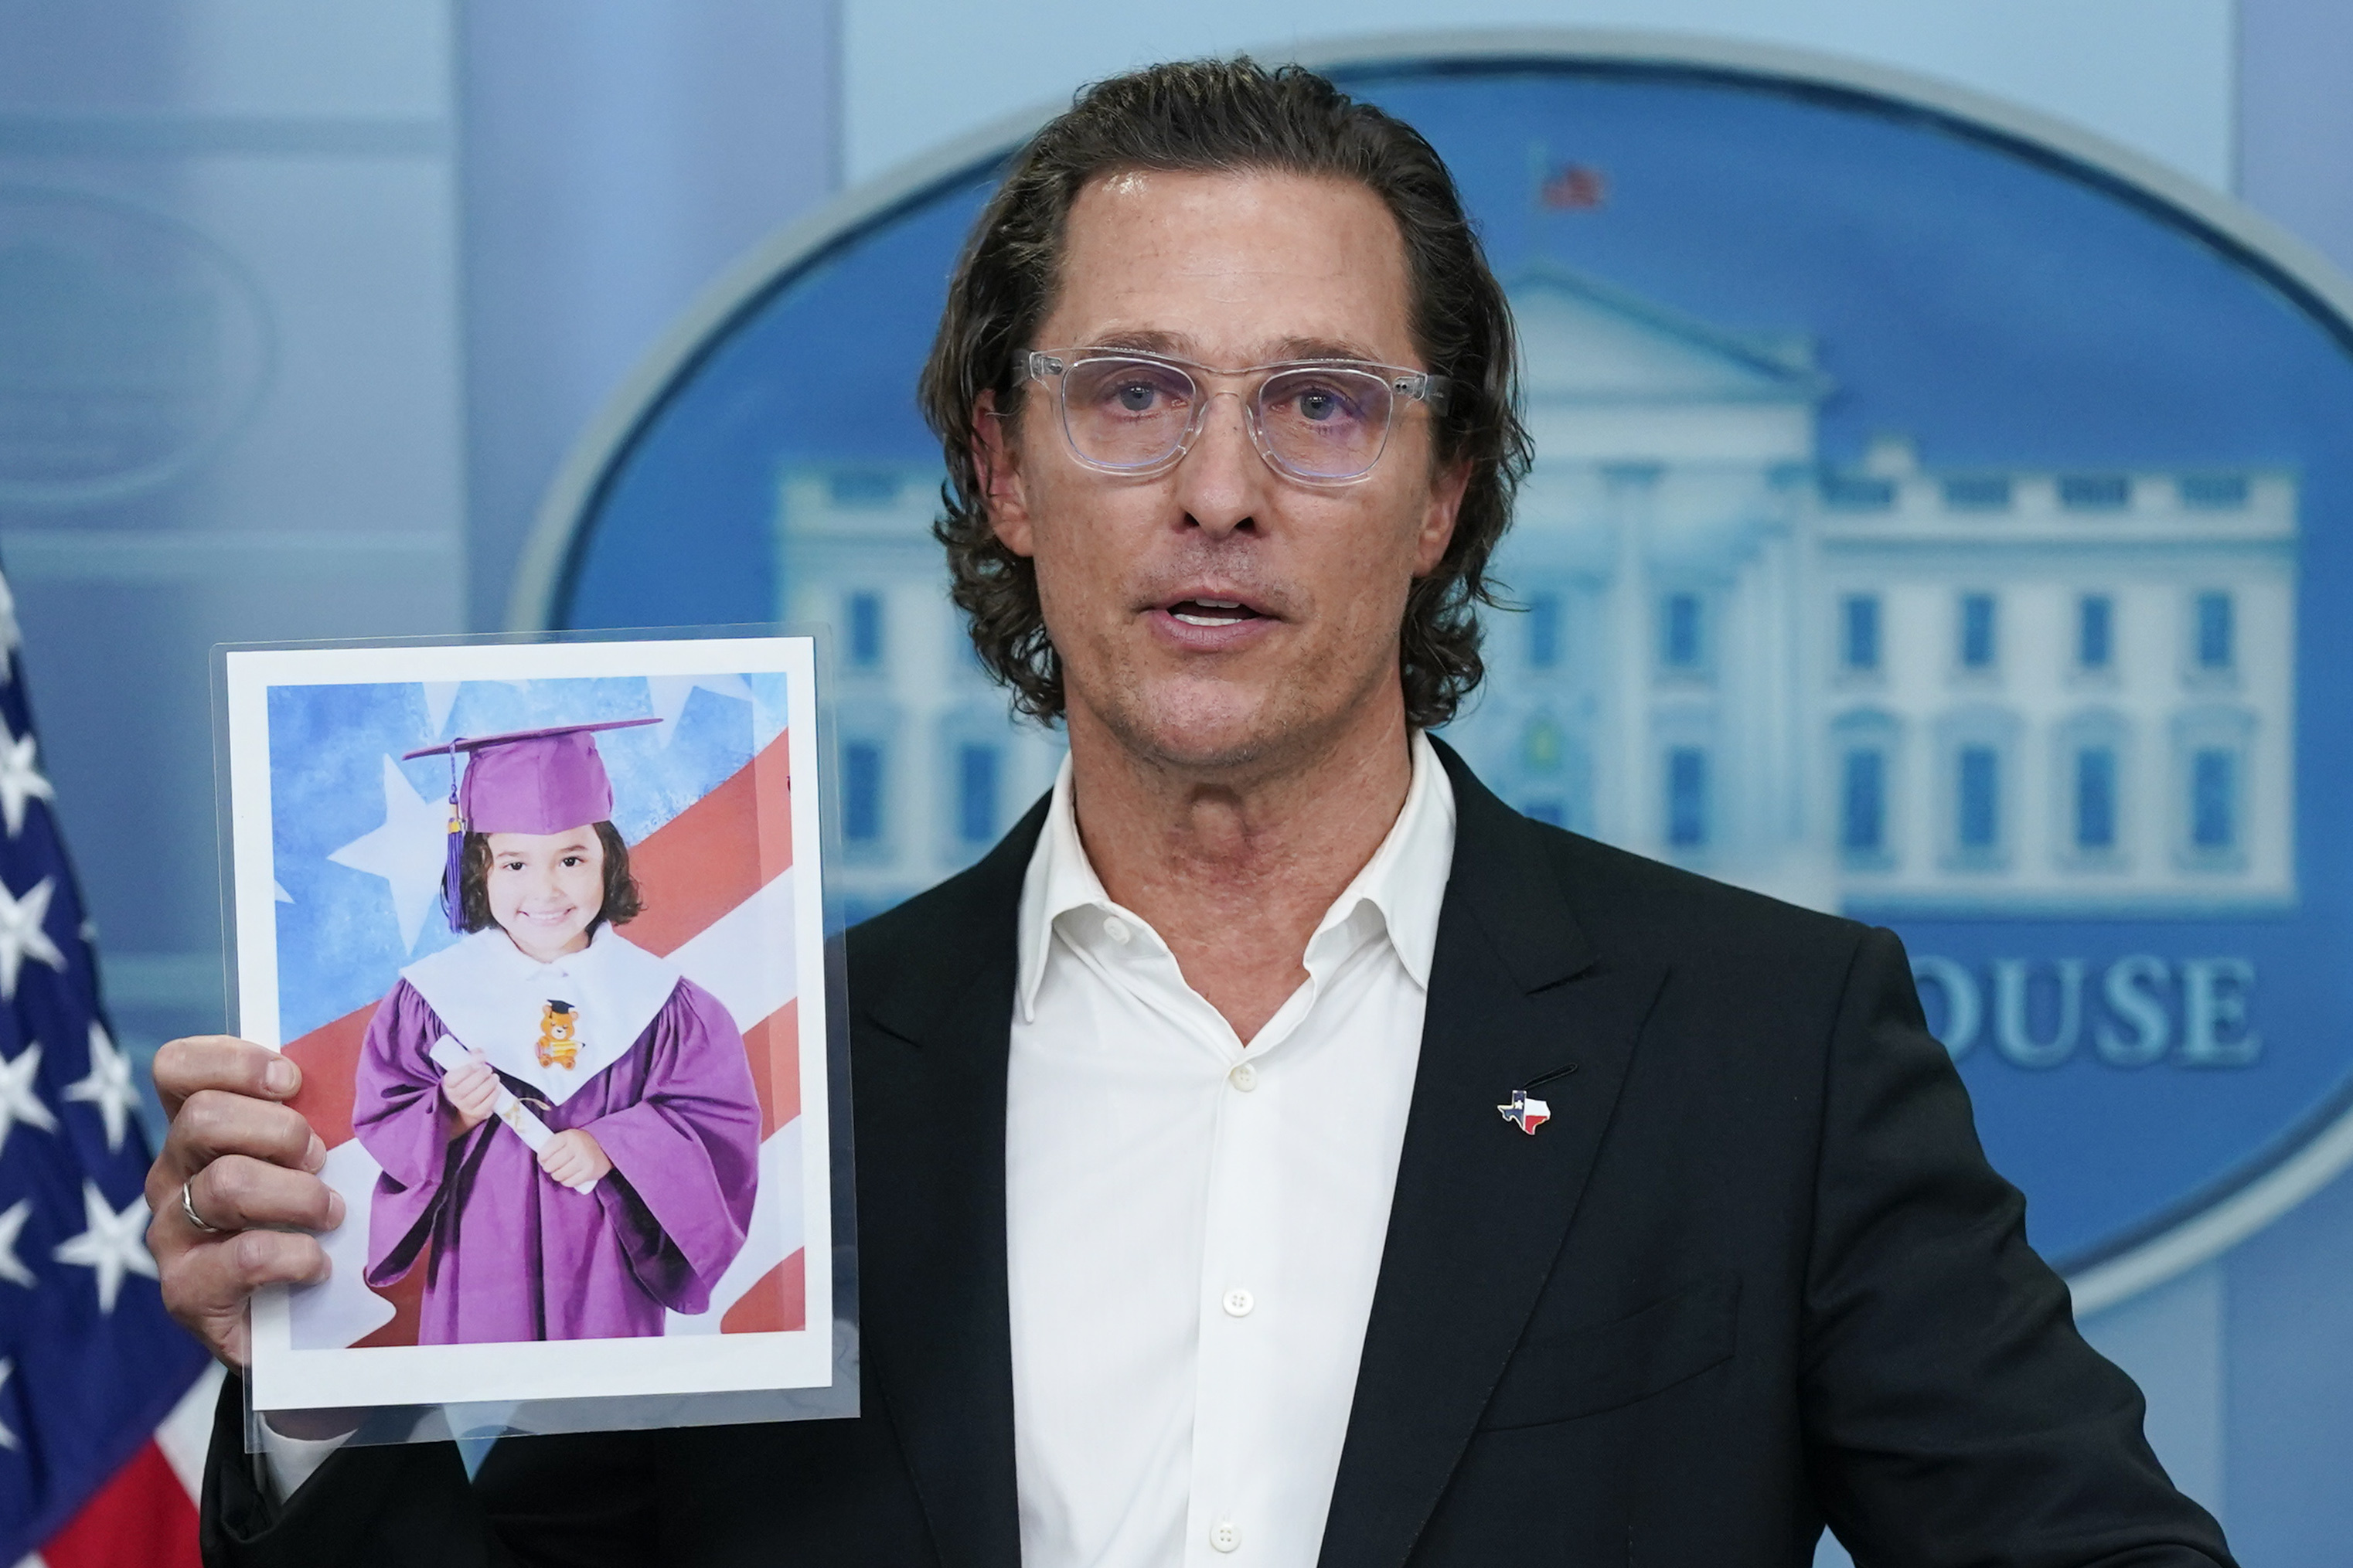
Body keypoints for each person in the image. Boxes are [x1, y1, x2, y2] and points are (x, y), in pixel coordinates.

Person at [146, 58, 2237, 1568]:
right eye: (1131, 393)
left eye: (1318, 404)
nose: (1218, 489)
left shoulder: (1767, 1042)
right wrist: (330, 1378)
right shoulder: (789, 1079)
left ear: (1440, 496)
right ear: (1004, 471)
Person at [346, 720, 762, 1345]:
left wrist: (612, 1146)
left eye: (572, 858)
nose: (545, 889)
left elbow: (717, 1126)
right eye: (514, 862)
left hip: (606, 1265)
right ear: (478, 869)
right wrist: (450, 1113)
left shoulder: (671, 1008)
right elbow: (385, 1112)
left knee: (604, 1424)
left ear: (608, 861)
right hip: (482, 1256)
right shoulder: (430, 1000)